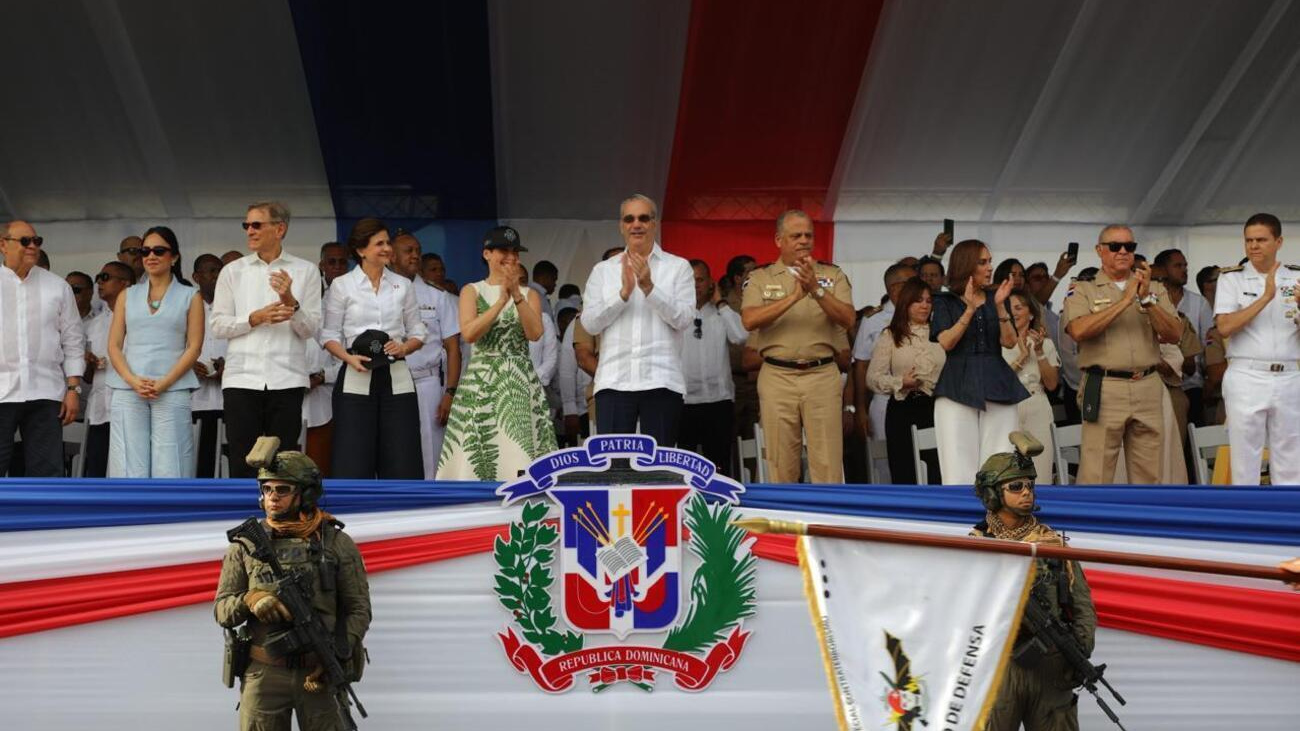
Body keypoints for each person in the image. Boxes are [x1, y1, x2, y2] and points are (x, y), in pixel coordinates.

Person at [213, 437, 371, 731]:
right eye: (267, 489)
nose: (272, 497)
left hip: (319, 672)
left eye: (282, 489)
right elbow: (222, 609)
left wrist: (336, 653)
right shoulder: (245, 545)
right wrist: (251, 600)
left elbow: (359, 610)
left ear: (305, 494)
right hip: (265, 672)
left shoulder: (336, 543)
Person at [970, 433, 1096, 731]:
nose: (1026, 492)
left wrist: (1077, 651)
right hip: (1000, 666)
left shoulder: (1052, 543)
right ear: (992, 494)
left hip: (1051, 665)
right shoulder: (975, 547)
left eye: (1030, 485)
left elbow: (1081, 603)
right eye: (1016, 486)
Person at [741, 209, 856, 483]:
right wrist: (793, 297)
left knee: (828, 461)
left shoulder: (832, 275)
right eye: (796, 235)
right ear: (779, 240)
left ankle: (829, 523)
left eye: (808, 235)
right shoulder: (761, 278)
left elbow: (849, 318)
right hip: (777, 376)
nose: (803, 240)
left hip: (821, 375)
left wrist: (815, 288)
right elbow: (749, 319)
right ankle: (785, 524)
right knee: (780, 462)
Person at [210, 201, 323, 477]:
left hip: (287, 378)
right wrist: (254, 318)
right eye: (246, 225)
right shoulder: (232, 271)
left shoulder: (306, 271)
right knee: (241, 458)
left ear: (279, 229)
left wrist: (290, 301)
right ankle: (243, 518)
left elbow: (311, 330)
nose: (249, 230)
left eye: (256, 224)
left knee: (283, 462)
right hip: (242, 378)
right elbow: (217, 325)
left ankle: (281, 520)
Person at [1063, 226, 1182, 483]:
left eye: (1130, 246)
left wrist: (1147, 300)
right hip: (1105, 385)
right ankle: (1092, 522)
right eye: (1115, 246)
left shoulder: (1154, 288)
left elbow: (1174, 334)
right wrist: (1125, 301)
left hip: (1147, 385)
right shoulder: (1083, 288)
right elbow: (1078, 330)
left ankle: (1144, 522)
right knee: (1097, 471)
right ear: (1099, 250)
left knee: (1149, 473)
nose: (1123, 251)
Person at [439, 226, 556, 480]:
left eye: (515, 252)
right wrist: (501, 301)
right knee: (480, 449)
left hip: (519, 378)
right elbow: (469, 333)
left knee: (519, 448)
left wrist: (515, 295)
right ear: (487, 254)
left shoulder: (530, 294)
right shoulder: (472, 290)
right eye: (504, 250)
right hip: (482, 380)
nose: (511, 257)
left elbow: (535, 332)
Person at [581, 195, 694, 445]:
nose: (637, 224)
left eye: (644, 218)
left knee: (660, 470)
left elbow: (685, 319)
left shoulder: (679, 267)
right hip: (614, 381)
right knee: (613, 467)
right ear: (621, 226)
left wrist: (650, 288)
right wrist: (622, 295)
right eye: (629, 219)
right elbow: (589, 324)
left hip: (662, 380)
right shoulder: (604, 271)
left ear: (654, 223)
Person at [320, 218, 426, 479]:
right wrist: (348, 358)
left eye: (388, 242)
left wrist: (404, 348)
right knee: (353, 454)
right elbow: (329, 334)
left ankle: (402, 514)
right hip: (356, 372)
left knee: (402, 453)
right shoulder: (342, 285)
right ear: (361, 250)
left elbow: (418, 331)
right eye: (379, 243)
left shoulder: (404, 285)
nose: (387, 248)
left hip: (397, 374)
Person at [105, 226, 205, 477]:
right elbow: (114, 345)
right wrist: (133, 380)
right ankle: (129, 516)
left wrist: (164, 383)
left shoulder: (190, 295)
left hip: (172, 386)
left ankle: (172, 516)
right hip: (129, 387)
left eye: (159, 250)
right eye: (145, 251)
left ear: (175, 257)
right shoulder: (127, 295)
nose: (150, 256)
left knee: (172, 464)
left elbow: (194, 347)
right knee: (128, 463)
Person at [930, 239, 1027, 485]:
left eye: (990, 262)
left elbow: (1009, 343)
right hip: (956, 385)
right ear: (967, 266)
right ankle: (963, 521)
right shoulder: (945, 301)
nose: (989, 267)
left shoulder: (998, 297)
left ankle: (998, 520)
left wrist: (1001, 309)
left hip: (997, 381)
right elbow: (947, 343)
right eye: (983, 262)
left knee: (1000, 463)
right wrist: (970, 309)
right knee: (957, 466)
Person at [1214, 213, 1300, 485]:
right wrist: (1266, 297)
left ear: (1278, 241)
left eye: (1261, 240)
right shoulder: (1232, 279)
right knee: (1245, 458)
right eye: (1249, 240)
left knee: (1291, 458)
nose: (1253, 246)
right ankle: (1244, 521)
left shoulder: (1296, 278)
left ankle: (1289, 521)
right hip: (1247, 374)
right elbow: (1225, 327)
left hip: (1289, 375)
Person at [0, 221, 84, 477]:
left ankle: (46, 517)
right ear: (3, 245)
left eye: (37, 241)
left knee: (47, 472)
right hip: (1, 391)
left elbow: (73, 340)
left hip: (45, 393)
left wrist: (73, 389)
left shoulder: (58, 286)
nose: (33, 246)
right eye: (25, 241)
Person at [391, 231, 462, 479]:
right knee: (395, 449)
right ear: (391, 256)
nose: (415, 255)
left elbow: (454, 349)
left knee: (432, 452)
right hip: (392, 382)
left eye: (417, 250)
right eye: (408, 250)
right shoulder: (379, 293)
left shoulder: (437, 296)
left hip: (427, 382)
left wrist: (449, 393)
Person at [866, 279, 945, 484]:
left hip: (936, 408)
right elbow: (872, 378)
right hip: (903, 409)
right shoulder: (891, 335)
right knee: (905, 471)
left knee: (938, 470)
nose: (925, 305)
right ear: (906, 304)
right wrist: (900, 382)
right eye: (918, 301)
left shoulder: (942, 333)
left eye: (928, 301)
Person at [679, 260, 749, 476]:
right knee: (685, 468)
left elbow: (741, 335)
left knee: (718, 465)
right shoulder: (675, 315)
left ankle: (719, 507)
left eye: (700, 280)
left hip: (718, 401)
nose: (695, 285)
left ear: (711, 283)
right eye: (689, 281)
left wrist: (720, 302)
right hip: (684, 402)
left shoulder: (722, 313)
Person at [852, 263, 917, 456]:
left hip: (917, 399)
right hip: (884, 400)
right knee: (886, 460)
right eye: (912, 283)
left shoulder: (923, 314)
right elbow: (861, 366)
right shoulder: (873, 320)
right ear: (895, 288)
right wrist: (861, 410)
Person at [82, 262, 135, 477]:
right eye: (98, 277)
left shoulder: (138, 318)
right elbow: (87, 377)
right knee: (96, 467)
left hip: (128, 405)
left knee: (126, 470)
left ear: (125, 283)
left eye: (105, 277)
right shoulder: (94, 324)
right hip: (99, 407)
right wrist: (88, 362)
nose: (99, 282)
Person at [1001, 292, 1060, 483]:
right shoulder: (997, 344)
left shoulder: (1046, 343)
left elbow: (1052, 384)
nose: (1014, 313)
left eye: (1019, 308)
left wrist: (1040, 351)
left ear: (1031, 314)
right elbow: (999, 383)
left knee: (1041, 471)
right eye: (1010, 308)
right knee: (1010, 473)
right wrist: (1021, 358)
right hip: (1008, 406)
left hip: (1037, 405)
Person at [1154, 248, 1214, 427]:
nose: (1184, 270)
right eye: (1177, 265)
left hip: (1191, 384)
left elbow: (1206, 345)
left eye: (1185, 265)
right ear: (1162, 269)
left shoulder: (1198, 302)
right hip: (1156, 385)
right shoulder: (1148, 303)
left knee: (1191, 443)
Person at [191, 253, 227, 477]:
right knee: (200, 465)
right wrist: (189, 364)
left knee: (229, 462)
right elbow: (174, 347)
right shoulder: (186, 308)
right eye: (211, 271)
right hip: (195, 401)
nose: (216, 276)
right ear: (196, 276)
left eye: (219, 271)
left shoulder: (234, 307)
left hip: (228, 400)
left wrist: (228, 365)